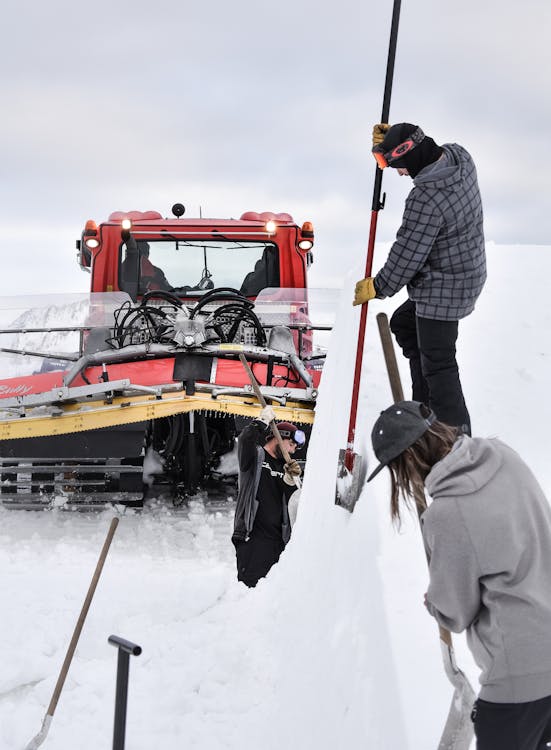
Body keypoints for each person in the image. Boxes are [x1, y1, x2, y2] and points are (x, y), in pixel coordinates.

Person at [368, 400, 551, 750]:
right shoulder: (503, 455)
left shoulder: (446, 514)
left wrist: (435, 601)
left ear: (408, 460)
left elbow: (454, 612)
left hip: (518, 678)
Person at [354, 123, 487, 434]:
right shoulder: (460, 158)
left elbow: (407, 255)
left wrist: (379, 285)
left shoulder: (426, 198)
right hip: (465, 273)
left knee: (440, 365)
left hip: (444, 289)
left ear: (410, 157)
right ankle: (425, 406)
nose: (399, 174)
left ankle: (457, 440)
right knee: (403, 324)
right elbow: (417, 142)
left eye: (396, 166)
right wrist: (392, 139)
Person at [232, 406, 303, 588]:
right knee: (250, 591)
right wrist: (260, 423)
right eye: (291, 444)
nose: (293, 451)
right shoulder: (255, 457)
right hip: (253, 539)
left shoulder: (285, 468)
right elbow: (245, 441)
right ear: (280, 436)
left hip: (277, 543)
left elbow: (293, 505)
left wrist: (291, 482)